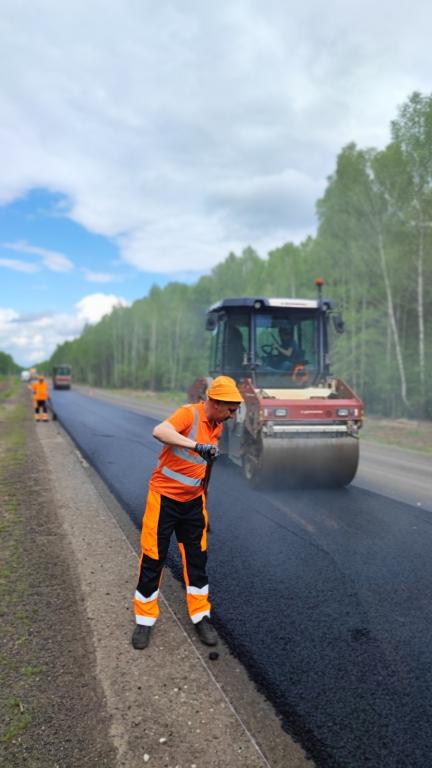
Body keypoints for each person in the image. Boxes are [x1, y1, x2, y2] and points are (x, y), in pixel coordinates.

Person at [132, 375, 243, 650]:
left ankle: (200, 616)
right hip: (164, 499)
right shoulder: (189, 414)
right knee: (153, 559)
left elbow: (205, 467)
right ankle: (144, 620)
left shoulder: (217, 425)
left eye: (235, 410)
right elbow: (159, 431)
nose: (233, 415)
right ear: (215, 402)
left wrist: (205, 504)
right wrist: (196, 446)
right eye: (230, 409)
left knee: (197, 560)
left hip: (193, 503)